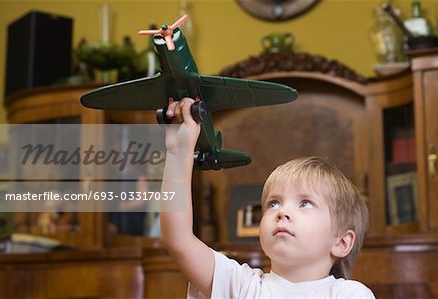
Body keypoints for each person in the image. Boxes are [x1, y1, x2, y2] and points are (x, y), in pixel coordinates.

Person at [160, 98, 375, 298]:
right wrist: (180, 149)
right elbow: (178, 239)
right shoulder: (243, 284)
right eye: (273, 203)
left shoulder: (349, 294)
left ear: (342, 242)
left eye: (305, 203)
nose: (282, 212)